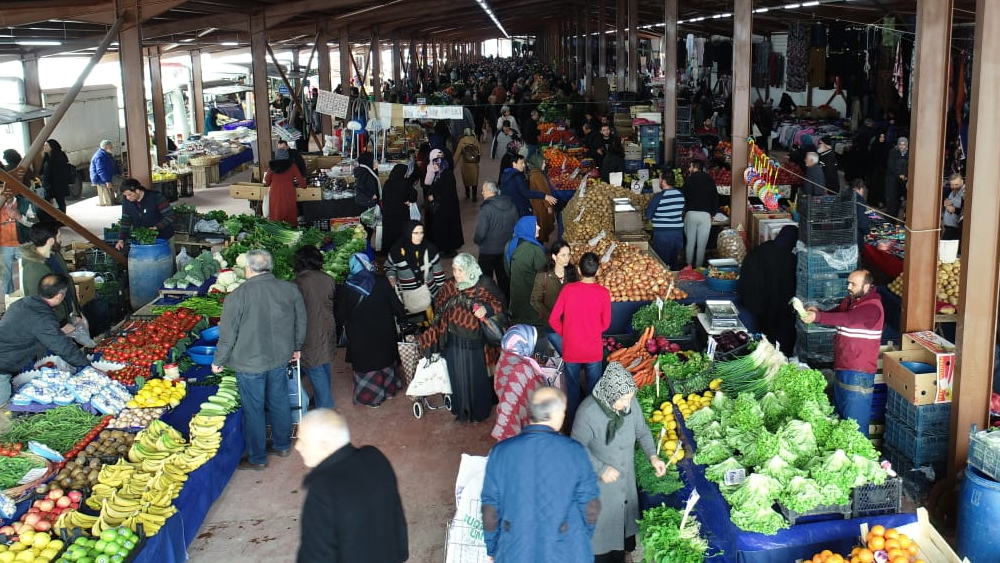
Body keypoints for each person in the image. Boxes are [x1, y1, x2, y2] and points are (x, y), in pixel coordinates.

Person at [481, 386, 601, 563]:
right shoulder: (574, 452)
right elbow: (590, 505)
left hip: (516, 550)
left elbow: (490, 509)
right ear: (556, 414)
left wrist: (492, 548)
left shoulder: (500, 452)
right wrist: (581, 538)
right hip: (567, 550)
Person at [212, 249, 307, 470]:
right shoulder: (289, 289)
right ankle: (282, 445)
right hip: (280, 357)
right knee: (279, 399)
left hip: (249, 362)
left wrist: (218, 361)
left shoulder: (237, 296)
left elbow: (228, 335)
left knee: (254, 409)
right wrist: (296, 346)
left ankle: (258, 458)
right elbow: (300, 321)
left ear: (248, 269)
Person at [572, 362, 666, 563]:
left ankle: (626, 553)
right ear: (609, 393)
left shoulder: (631, 404)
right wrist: (601, 468)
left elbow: (642, 430)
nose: (626, 404)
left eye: (629, 399)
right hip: (600, 486)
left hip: (626, 478)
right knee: (603, 532)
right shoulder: (587, 412)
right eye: (622, 400)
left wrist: (653, 456)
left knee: (626, 522)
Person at [295, 409, 408, 563]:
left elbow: (316, 556)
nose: (297, 447)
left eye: (302, 441)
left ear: (324, 445)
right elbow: (396, 515)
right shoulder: (375, 457)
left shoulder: (322, 488)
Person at [418, 254, 505, 423]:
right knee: (456, 376)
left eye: (461, 270)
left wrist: (486, 308)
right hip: (452, 340)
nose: (457, 274)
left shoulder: (483, 284)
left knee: (476, 377)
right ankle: (461, 410)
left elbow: (500, 303)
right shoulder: (450, 285)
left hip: (474, 341)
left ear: (470, 269)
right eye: (455, 270)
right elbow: (440, 306)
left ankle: (480, 411)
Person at [802, 269, 884, 437]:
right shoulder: (853, 301)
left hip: (858, 370)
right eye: (848, 283)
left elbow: (847, 319)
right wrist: (818, 312)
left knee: (854, 422)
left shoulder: (872, 308)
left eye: (853, 284)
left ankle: (858, 457)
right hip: (843, 365)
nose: (848, 287)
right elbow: (839, 313)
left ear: (867, 286)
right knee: (840, 413)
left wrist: (816, 318)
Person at [0, 274, 90, 405]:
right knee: (3, 407)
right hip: (3, 365)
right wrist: (87, 365)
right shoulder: (42, 318)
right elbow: (62, 347)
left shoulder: (25, 302)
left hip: (8, 358)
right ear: (60, 296)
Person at [549, 252, 611, 427]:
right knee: (593, 391)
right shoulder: (603, 293)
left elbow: (553, 319)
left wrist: (567, 332)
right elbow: (605, 324)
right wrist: (590, 331)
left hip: (571, 349)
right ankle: (591, 426)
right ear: (598, 271)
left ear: (578, 269)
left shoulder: (568, 290)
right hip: (593, 350)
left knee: (573, 389)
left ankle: (572, 426)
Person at [337, 253, 406, 408]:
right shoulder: (381, 281)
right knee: (386, 359)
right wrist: (403, 320)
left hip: (361, 337)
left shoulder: (347, 288)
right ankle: (389, 391)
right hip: (385, 333)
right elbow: (397, 306)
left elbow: (340, 315)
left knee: (367, 364)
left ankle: (372, 398)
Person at [737, 225, 799, 357]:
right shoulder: (792, 260)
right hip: (779, 311)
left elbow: (746, 275)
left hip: (755, 306)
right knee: (778, 343)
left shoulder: (760, 250)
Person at [292, 246, 336, 410]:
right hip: (327, 327)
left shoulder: (298, 282)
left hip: (309, 333)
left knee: (316, 370)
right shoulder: (328, 278)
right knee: (324, 365)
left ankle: (326, 412)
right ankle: (319, 401)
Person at [491, 324, 548, 441]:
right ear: (524, 344)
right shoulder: (523, 369)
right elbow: (539, 397)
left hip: (508, 412)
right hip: (523, 426)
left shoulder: (505, 357)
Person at [19, 222, 78, 328]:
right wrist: (61, 324)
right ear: (51, 241)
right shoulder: (34, 269)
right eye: (59, 236)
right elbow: (38, 303)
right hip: (54, 323)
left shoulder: (54, 254)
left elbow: (66, 282)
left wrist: (76, 310)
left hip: (67, 314)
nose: (60, 240)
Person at [386, 221, 447, 318]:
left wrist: (443, 293)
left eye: (421, 233)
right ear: (407, 233)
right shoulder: (396, 251)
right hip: (408, 296)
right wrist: (391, 277)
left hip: (430, 293)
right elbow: (390, 267)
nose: (420, 236)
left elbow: (438, 274)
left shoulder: (430, 249)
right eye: (416, 233)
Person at [530, 240, 578, 355]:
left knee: (571, 354)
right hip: (551, 324)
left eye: (568, 254)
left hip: (571, 323)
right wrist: (550, 314)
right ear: (554, 257)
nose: (567, 258)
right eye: (563, 255)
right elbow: (534, 300)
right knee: (557, 355)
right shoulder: (543, 276)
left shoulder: (572, 273)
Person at [474, 181, 519, 297]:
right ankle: (506, 303)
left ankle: (489, 302)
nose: (482, 193)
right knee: (504, 279)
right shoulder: (511, 205)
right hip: (505, 249)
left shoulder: (486, 209)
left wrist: (477, 241)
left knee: (485, 280)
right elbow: (516, 225)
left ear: (490, 191)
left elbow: (481, 232)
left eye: (483, 190)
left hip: (487, 251)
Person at [114, 178, 176, 257]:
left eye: (129, 195)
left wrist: (156, 227)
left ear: (137, 191)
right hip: (142, 240)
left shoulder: (156, 197)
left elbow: (170, 216)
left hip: (164, 237)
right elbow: (126, 220)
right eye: (125, 195)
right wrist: (121, 240)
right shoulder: (127, 202)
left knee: (167, 262)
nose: (127, 198)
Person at [423, 148, 464, 257]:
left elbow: (447, 192)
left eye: (436, 164)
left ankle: (446, 250)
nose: (434, 165)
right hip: (442, 208)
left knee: (446, 229)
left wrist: (434, 197)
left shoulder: (446, 175)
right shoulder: (440, 174)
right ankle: (443, 247)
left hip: (446, 208)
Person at [682, 160, 719, 269]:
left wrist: (684, 211)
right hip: (705, 216)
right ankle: (698, 268)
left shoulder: (689, 180)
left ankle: (688, 266)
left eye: (690, 167)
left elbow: (683, 196)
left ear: (694, 167)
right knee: (702, 245)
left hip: (691, 214)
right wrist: (713, 213)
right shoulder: (710, 180)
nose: (689, 169)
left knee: (690, 243)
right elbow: (715, 198)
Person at [645, 170, 686, 270]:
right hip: (678, 234)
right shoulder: (680, 195)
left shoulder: (658, 197)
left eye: (659, 179)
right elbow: (681, 211)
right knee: (674, 261)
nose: (659, 181)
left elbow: (648, 215)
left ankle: (664, 282)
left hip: (663, 235)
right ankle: (674, 280)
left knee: (661, 263)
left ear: (663, 181)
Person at [379, 164, 418, 252]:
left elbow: (383, 197)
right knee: (400, 231)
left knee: (389, 232)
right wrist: (409, 201)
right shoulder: (405, 183)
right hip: (401, 212)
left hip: (388, 212)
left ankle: (387, 250)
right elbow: (414, 195)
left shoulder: (388, 182)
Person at [264, 148, 306, 226]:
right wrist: (304, 186)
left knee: (276, 213)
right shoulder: (292, 166)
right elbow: (302, 182)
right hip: (288, 192)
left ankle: (277, 231)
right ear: (287, 156)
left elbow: (267, 181)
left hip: (275, 192)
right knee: (289, 213)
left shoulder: (272, 167)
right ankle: (291, 229)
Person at [526, 153, 556, 243]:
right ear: (537, 163)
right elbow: (543, 191)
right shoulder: (537, 176)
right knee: (541, 227)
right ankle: (539, 245)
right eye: (543, 163)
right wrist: (549, 207)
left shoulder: (535, 172)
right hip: (540, 206)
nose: (544, 164)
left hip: (538, 204)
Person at [40, 139, 71, 215]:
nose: (44, 147)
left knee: (61, 203)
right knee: (47, 204)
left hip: (58, 185)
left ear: (52, 147)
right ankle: (52, 218)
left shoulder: (59, 157)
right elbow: (43, 171)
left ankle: (63, 218)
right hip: (48, 185)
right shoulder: (46, 157)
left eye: (46, 145)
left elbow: (61, 173)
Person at [884, 137, 909, 219]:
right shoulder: (893, 152)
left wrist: (906, 175)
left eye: (904, 144)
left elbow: (909, 166)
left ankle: (894, 220)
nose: (902, 146)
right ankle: (889, 221)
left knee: (899, 202)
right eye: (900, 144)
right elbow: (891, 166)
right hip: (892, 181)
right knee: (892, 202)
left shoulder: (909, 153)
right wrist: (899, 175)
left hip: (903, 182)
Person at [454, 128, 482, 200]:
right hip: (474, 164)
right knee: (474, 179)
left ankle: (467, 193)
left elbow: (457, 154)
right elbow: (480, 152)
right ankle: (474, 195)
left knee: (466, 179)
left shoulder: (462, 141)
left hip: (465, 163)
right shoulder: (475, 140)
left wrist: (453, 165)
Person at [89, 140, 119, 207]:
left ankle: (118, 199)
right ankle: (118, 200)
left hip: (109, 176)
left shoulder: (106, 154)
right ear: (106, 147)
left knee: (125, 181)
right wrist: (107, 181)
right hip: (101, 178)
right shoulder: (99, 156)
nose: (112, 147)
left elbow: (114, 165)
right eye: (111, 146)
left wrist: (119, 174)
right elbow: (101, 171)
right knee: (123, 183)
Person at [866, 132, 890, 209]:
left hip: (884, 171)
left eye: (883, 137)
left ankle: (881, 202)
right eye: (880, 137)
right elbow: (870, 159)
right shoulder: (875, 146)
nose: (882, 139)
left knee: (882, 188)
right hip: (875, 170)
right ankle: (873, 202)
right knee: (874, 186)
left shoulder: (888, 146)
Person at [942, 173, 965, 241]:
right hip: (948, 227)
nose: (954, 187)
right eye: (952, 184)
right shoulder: (951, 191)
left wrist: (954, 210)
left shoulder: (965, 193)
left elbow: (967, 210)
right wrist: (946, 201)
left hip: (956, 229)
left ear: (962, 182)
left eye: (956, 184)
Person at [852, 179, 872, 255]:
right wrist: (867, 232)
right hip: (855, 236)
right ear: (861, 189)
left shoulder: (845, 194)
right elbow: (862, 222)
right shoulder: (860, 200)